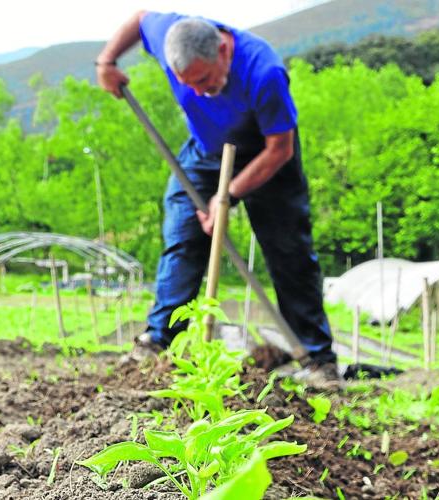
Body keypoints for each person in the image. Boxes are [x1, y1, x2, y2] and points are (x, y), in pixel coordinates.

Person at [96, 11, 337, 378]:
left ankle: (319, 360)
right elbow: (141, 17)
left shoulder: (263, 71)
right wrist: (107, 61)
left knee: (289, 252)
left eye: (205, 80)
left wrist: (227, 196)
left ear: (223, 50)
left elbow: (280, 149)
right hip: (207, 151)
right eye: (186, 84)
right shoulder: (169, 34)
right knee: (183, 238)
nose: (198, 92)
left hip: (266, 156)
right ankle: (158, 342)